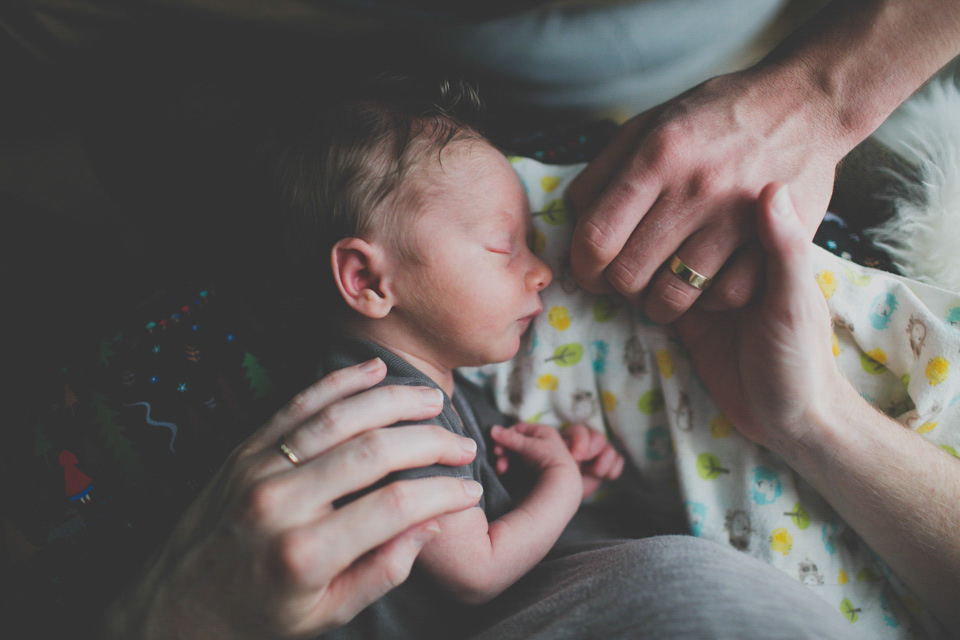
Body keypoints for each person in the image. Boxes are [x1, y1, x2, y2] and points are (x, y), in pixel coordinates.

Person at [258, 75, 625, 637]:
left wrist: (561, 475)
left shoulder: (442, 390)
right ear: (368, 279)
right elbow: (477, 571)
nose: (541, 271)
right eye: (504, 247)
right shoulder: (383, 407)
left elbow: (491, 515)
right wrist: (561, 489)